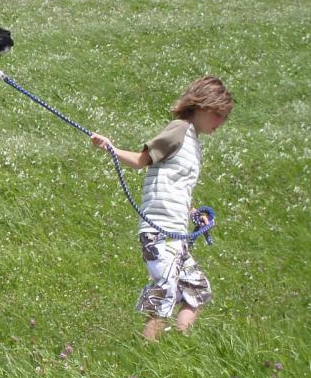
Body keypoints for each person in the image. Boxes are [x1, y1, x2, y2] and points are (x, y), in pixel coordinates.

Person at [90, 76, 233, 341]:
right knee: (165, 291)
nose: (221, 122)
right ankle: (147, 352)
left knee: (197, 289)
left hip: (175, 232)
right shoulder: (179, 130)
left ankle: (179, 346)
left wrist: (193, 213)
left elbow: (176, 186)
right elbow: (140, 161)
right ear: (202, 106)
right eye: (219, 114)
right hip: (159, 231)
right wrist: (110, 147)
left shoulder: (193, 142)